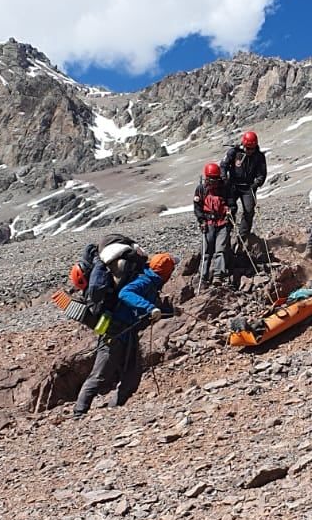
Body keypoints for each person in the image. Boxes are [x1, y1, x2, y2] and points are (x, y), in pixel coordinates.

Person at [73, 252, 174, 418]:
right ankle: (79, 412)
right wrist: (150, 308)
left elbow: (148, 307)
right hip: (113, 331)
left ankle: (115, 409)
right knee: (101, 374)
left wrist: (170, 311)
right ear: (166, 273)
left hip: (129, 332)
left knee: (132, 375)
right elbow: (125, 294)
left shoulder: (151, 282)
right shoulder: (145, 280)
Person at [222, 131, 267, 240]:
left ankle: (242, 238)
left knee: (249, 211)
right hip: (233, 185)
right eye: (247, 148)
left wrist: (255, 185)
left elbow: (262, 174)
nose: (249, 151)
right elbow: (223, 165)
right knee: (230, 210)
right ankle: (225, 236)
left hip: (248, 187)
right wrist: (224, 178)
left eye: (252, 149)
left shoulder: (259, 156)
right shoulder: (234, 152)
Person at [193, 162, 232, 288]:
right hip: (208, 223)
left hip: (223, 222)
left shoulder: (224, 187)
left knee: (220, 249)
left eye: (216, 179)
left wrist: (230, 210)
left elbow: (231, 202)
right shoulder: (201, 190)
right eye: (211, 179)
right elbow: (197, 207)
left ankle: (218, 276)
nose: (214, 182)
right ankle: (203, 277)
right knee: (206, 250)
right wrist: (201, 220)